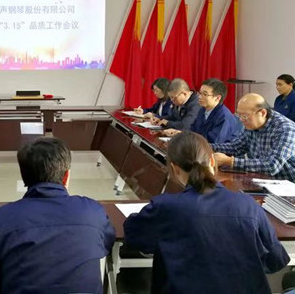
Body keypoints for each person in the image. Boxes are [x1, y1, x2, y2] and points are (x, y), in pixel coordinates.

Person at [124, 131, 289, 294]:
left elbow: (134, 237)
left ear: (174, 169)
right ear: (211, 161)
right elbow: (276, 260)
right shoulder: (248, 205)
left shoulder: (165, 207)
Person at [0, 137, 115, 293]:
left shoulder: (2, 218)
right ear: (66, 176)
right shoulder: (92, 211)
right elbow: (106, 244)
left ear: (24, 176)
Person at [212, 93, 295, 180]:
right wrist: (206, 146)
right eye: (239, 114)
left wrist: (230, 161)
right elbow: (236, 147)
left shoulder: (285, 129)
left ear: (262, 113)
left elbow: (272, 166)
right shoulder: (252, 124)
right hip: (260, 179)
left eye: (245, 115)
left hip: (287, 183)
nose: (241, 119)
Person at [163, 78, 242, 143]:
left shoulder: (224, 117)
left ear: (217, 98)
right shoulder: (202, 110)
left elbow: (213, 142)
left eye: (205, 94)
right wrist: (180, 133)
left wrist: (185, 136)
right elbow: (193, 130)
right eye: (200, 93)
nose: (200, 97)